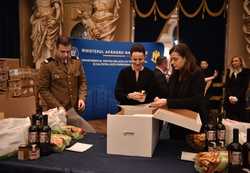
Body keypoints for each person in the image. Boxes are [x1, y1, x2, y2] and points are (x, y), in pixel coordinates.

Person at [150, 43, 208, 140]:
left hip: (192, 126)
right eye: (171, 59)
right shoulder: (175, 74)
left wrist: (167, 102)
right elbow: (170, 95)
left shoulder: (197, 73)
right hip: (176, 123)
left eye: (175, 59)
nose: (172, 62)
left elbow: (195, 101)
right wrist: (160, 99)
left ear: (185, 58)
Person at [38, 36, 87, 112]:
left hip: (74, 109)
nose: (66, 55)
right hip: (56, 111)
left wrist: (81, 98)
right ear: (56, 49)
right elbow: (43, 89)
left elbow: (82, 82)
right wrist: (58, 107)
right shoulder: (47, 65)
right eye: (62, 52)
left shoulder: (76, 63)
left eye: (68, 52)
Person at [30, 0, 63, 68]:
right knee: (38, 45)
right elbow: (34, 11)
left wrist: (55, 20)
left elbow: (57, 8)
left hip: (50, 22)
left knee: (49, 45)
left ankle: (50, 65)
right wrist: (36, 14)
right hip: (39, 22)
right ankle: (39, 65)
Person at [224, 56, 250, 122]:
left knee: (241, 120)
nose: (234, 62)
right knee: (230, 120)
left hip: (240, 100)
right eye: (233, 61)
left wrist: (237, 97)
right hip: (229, 100)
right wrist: (230, 97)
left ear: (240, 62)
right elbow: (227, 86)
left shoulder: (246, 72)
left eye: (236, 61)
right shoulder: (229, 72)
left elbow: (244, 87)